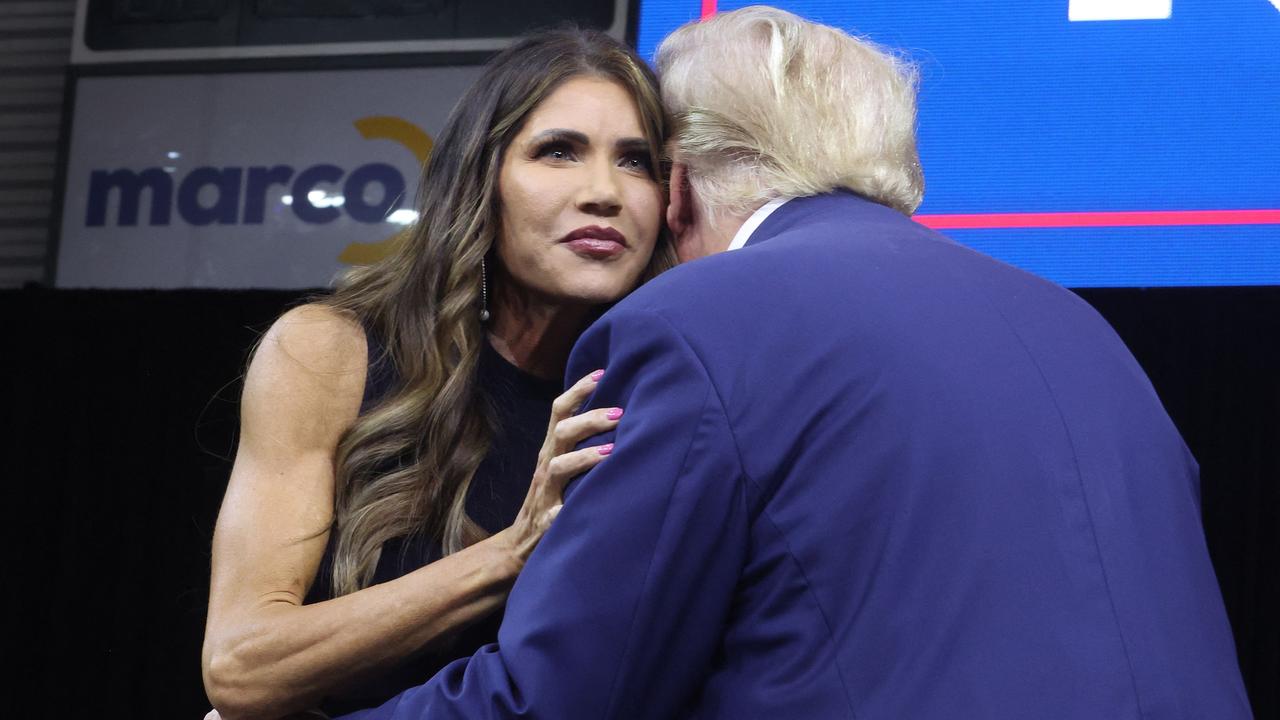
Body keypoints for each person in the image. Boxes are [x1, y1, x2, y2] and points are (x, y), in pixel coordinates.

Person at [337, 7, 1253, 720]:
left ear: (684, 181)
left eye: (645, 166)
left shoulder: (693, 321)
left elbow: (568, 692)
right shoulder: (1079, 324)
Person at [200, 27, 674, 720]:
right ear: (482, 180)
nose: (604, 191)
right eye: (558, 151)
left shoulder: (658, 395)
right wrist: (514, 552)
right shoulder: (331, 354)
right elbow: (241, 666)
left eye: (636, 162)